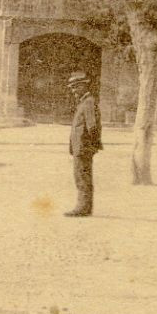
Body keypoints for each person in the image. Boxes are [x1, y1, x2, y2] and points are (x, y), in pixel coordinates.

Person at [66, 71, 102, 217]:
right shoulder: (84, 102)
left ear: (84, 86)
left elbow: (92, 126)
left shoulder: (88, 102)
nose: (73, 91)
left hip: (83, 148)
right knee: (81, 177)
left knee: (82, 178)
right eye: (72, 88)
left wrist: (89, 147)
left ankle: (82, 208)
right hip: (81, 147)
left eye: (76, 87)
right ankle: (84, 207)